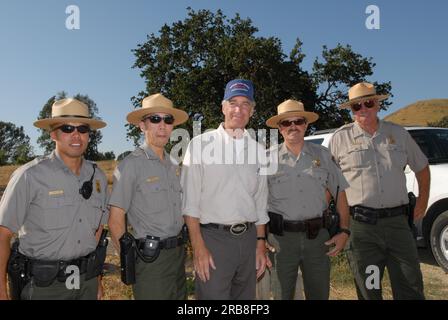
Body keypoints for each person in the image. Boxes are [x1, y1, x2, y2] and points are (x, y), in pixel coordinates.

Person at [329, 82, 430, 300]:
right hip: (363, 230)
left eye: (368, 103)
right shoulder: (340, 139)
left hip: (398, 226)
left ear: (377, 104)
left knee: (410, 285)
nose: (363, 108)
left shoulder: (398, 134)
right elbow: (329, 182)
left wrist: (423, 201)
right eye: (357, 106)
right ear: (351, 111)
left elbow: (422, 167)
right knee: (370, 289)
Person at [0, 98, 108, 300]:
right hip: (44, 287)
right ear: (53, 134)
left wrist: (97, 280)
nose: (76, 135)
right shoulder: (30, 176)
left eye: (83, 128)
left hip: (86, 283)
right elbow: (2, 234)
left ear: (89, 135)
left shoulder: (98, 177)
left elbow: (97, 233)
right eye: (67, 128)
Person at [181, 79, 270, 300]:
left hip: (249, 240)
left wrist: (260, 244)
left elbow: (260, 203)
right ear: (223, 107)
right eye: (233, 102)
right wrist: (198, 247)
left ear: (252, 109)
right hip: (213, 241)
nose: (238, 109)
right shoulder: (200, 145)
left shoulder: (259, 151)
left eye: (245, 103)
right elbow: (189, 203)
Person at [265, 99, 350, 300]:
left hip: (317, 238)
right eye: (286, 122)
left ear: (306, 124)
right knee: (281, 295)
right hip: (280, 240)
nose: (293, 126)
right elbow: (257, 203)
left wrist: (345, 231)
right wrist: (260, 239)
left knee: (319, 294)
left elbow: (340, 193)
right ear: (279, 128)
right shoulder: (266, 159)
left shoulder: (323, 155)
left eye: (298, 121)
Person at [108, 93, 189, 300]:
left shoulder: (174, 165)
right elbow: (116, 219)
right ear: (142, 126)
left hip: (178, 256)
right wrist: (130, 261)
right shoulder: (131, 166)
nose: (162, 125)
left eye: (167, 120)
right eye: (155, 119)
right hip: (150, 260)